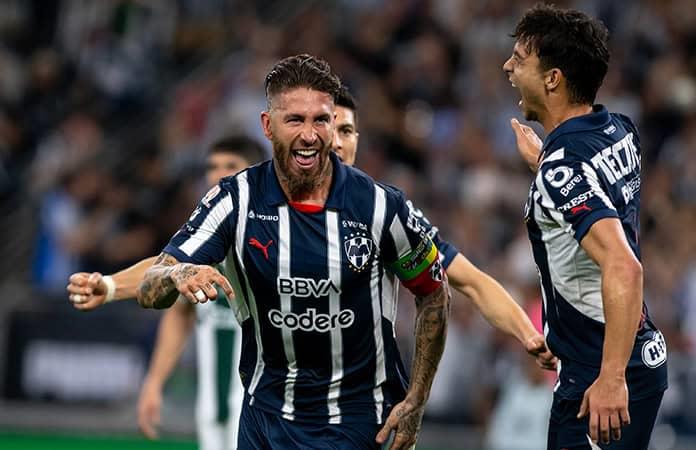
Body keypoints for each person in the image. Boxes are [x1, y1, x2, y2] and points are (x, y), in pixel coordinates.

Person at [136, 54, 451, 450]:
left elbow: (434, 293)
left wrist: (417, 399)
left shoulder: (379, 206)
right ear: (268, 126)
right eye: (295, 120)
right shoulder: (235, 201)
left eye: (320, 120)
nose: (309, 135)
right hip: (264, 422)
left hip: (356, 423)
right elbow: (150, 286)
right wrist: (176, 273)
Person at [503, 4, 668, 449]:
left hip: (602, 376)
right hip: (633, 357)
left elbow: (623, 265)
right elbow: (592, 192)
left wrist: (611, 378)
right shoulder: (620, 129)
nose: (508, 68)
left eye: (520, 59)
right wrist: (545, 162)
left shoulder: (563, 168)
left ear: (552, 78)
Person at [333, 85, 555, 371]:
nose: (337, 143)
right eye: (329, 129)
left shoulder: (384, 211)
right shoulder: (273, 210)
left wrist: (528, 334)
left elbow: (472, 282)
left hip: (356, 388)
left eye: (346, 131)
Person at [67, 135, 267, 450]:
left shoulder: (268, 237)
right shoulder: (207, 237)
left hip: (263, 411)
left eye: (231, 165)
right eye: (212, 167)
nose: (218, 175)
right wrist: (154, 382)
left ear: (254, 173)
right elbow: (169, 279)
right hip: (212, 411)